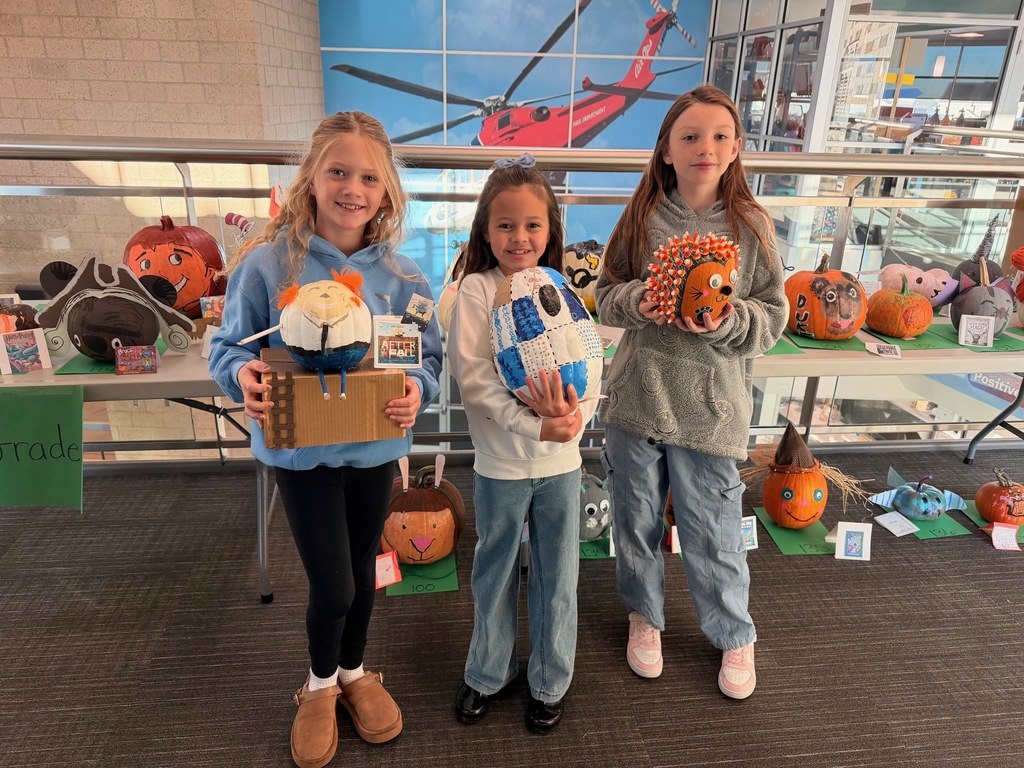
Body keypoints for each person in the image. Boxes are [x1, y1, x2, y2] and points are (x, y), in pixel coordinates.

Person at [208, 111, 442, 768]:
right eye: (338, 171)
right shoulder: (267, 266)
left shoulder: (406, 278)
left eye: (369, 177)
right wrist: (242, 374)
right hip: (302, 455)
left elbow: (427, 358)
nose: (352, 188)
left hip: (375, 451)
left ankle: (353, 671)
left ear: (386, 191)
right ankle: (317, 684)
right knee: (333, 586)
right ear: (311, 178)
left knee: (363, 577)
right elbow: (228, 346)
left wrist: (418, 388)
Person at [594, 85, 787, 700]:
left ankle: (734, 631)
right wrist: (639, 302)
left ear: (736, 149)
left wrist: (729, 319)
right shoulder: (641, 218)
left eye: (720, 136)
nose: (706, 147)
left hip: (712, 407)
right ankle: (644, 614)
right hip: (638, 398)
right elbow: (605, 294)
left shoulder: (752, 226)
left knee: (714, 528)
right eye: (691, 136)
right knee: (635, 521)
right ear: (667, 150)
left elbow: (773, 317)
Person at [446, 153, 598, 734]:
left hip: (562, 463)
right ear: (486, 231)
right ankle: (489, 672)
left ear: (550, 230)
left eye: (533, 225)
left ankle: (551, 679)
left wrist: (572, 419)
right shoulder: (476, 291)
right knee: (495, 573)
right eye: (505, 224)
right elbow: (475, 379)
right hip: (501, 465)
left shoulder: (561, 287)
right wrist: (535, 424)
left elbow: (590, 361)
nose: (519, 237)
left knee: (559, 577)